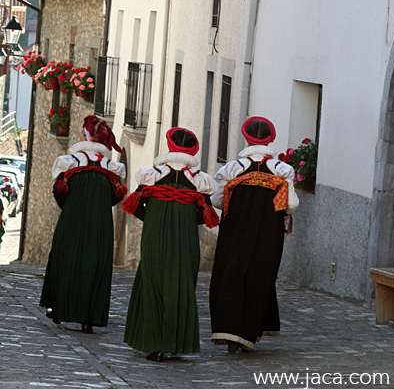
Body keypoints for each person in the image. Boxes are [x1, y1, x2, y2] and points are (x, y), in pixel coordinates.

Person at [122, 127, 218, 362]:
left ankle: (154, 344)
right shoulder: (199, 181)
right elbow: (202, 214)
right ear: (192, 149)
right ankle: (175, 342)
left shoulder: (150, 175)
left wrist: (155, 218)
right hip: (186, 238)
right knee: (182, 284)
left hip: (154, 236)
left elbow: (136, 205)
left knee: (152, 282)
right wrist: (183, 219)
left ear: (170, 146)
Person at [209, 116, 299, 354]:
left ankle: (229, 330)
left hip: (235, 228)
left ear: (246, 137)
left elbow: (217, 200)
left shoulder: (231, 169)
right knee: (261, 274)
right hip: (268, 230)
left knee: (231, 271)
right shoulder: (283, 170)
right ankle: (249, 333)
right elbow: (290, 205)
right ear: (271, 139)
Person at [40, 115, 127, 333]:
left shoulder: (70, 162)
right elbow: (116, 197)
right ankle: (90, 317)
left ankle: (60, 309)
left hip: (72, 218)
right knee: (96, 263)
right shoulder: (111, 167)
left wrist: (72, 208)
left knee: (65, 258)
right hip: (101, 223)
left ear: (86, 136)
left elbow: (59, 191)